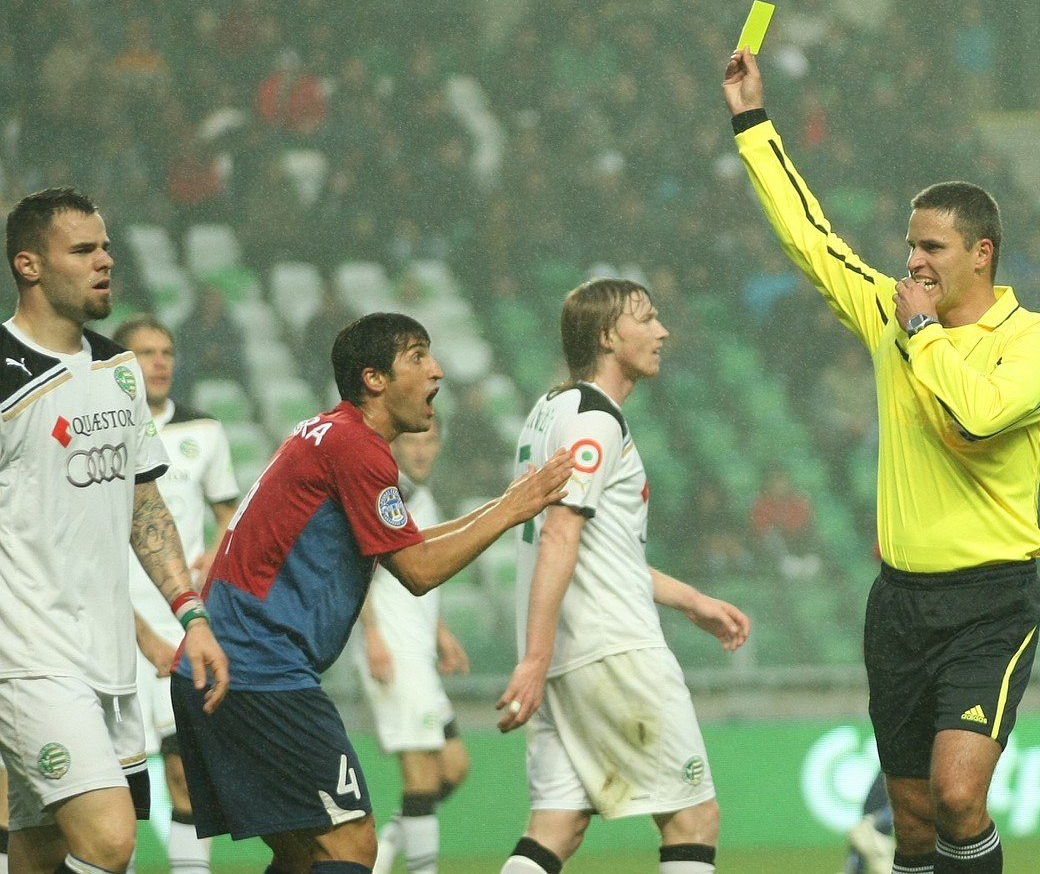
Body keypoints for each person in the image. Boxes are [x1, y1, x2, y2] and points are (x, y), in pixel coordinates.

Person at [724, 49, 1040, 874]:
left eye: (932, 248)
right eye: (910, 246)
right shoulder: (889, 310)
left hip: (991, 603)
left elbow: (976, 415)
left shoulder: (1034, 340)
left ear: (981, 254)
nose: (912, 262)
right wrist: (752, 123)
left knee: (958, 796)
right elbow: (810, 239)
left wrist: (920, 334)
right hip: (901, 603)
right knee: (910, 823)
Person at [171, 312, 573, 873]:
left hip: (225, 665)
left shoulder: (328, 434)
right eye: (418, 357)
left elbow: (406, 543)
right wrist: (511, 511)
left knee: (303, 854)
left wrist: (505, 503)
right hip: (262, 669)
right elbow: (418, 571)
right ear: (374, 379)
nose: (437, 371)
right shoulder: (358, 447)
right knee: (352, 845)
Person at [1, 186, 230, 874]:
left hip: (110, 663)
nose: (105, 261)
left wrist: (191, 615)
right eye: (83, 250)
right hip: (29, 658)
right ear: (29, 265)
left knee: (44, 850)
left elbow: (146, 508)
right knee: (108, 842)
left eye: (105, 247)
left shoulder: (118, 371)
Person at [497, 278, 751, 874]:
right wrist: (534, 657)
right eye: (647, 319)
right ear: (608, 336)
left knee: (556, 827)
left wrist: (689, 599)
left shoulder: (549, 411)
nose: (662, 331)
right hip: (612, 649)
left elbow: (598, 549)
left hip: (566, 656)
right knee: (693, 820)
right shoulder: (597, 422)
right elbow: (560, 534)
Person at [113, 313, 243, 874]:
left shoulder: (205, 431)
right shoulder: (100, 433)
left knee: (185, 770)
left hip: (180, 624)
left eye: (166, 352)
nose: (161, 362)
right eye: (146, 353)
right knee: (114, 785)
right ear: (121, 365)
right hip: (114, 624)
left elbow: (229, 514)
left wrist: (216, 552)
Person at [356, 418, 472, 874]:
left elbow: (413, 574)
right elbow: (361, 568)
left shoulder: (420, 496)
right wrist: (372, 636)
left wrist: (440, 632)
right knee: (421, 774)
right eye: (413, 441)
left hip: (418, 648)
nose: (423, 450)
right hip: (395, 649)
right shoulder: (391, 495)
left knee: (454, 766)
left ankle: (387, 845)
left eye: (431, 441)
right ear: (395, 444)